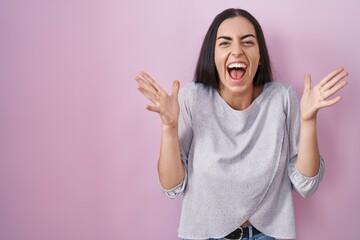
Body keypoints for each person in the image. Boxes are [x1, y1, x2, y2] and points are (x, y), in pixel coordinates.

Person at [135, 8, 348, 240]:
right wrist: (169, 128)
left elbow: (306, 186)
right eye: (225, 43)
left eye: (247, 42)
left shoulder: (282, 98)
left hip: (268, 235)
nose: (237, 50)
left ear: (259, 56)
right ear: (213, 56)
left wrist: (308, 120)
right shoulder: (192, 98)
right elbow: (171, 186)